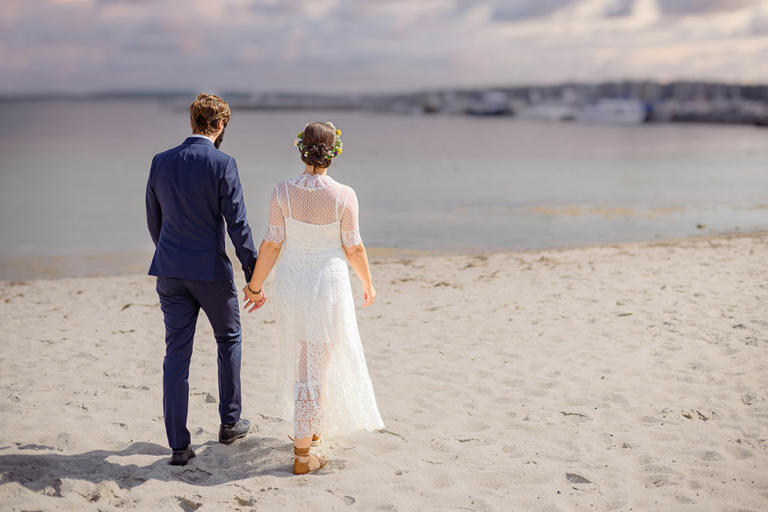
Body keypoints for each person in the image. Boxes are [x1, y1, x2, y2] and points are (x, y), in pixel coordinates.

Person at [243, 121, 384, 474]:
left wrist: (256, 286)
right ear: (333, 152)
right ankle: (303, 457)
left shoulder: (282, 191)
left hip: (292, 282)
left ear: (301, 149)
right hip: (328, 283)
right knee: (315, 364)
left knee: (305, 357)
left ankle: (311, 433)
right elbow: (353, 247)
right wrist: (368, 281)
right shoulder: (344, 195)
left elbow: (273, 242)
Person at [145, 93, 262, 466]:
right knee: (228, 338)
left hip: (169, 271)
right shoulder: (223, 163)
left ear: (192, 121)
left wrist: (169, 255)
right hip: (209, 273)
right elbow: (238, 224)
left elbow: (154, 219)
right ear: (221, 124)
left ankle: (179, 446)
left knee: (176, 355)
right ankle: (229, 423)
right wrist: (253, 274)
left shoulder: (160, 161)